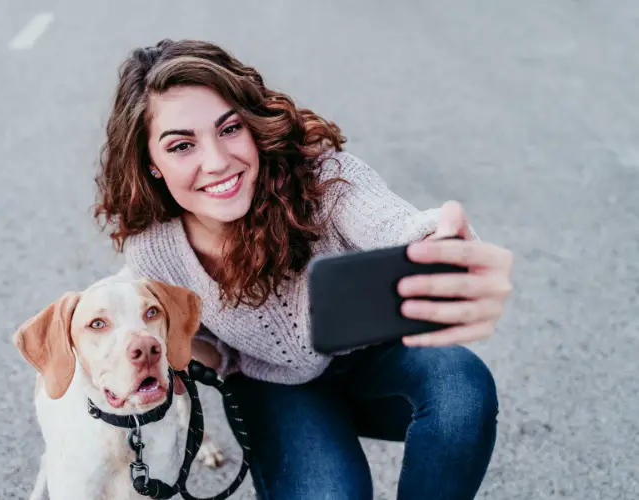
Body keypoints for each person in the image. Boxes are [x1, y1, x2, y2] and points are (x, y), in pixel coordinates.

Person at [94, 38, 513, 500]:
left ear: (252, 124)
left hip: (374, 364)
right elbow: (197, 347)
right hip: (274, 391)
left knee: (461, 387)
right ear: (151, 163)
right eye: (181, 145)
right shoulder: (152, 251)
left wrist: (446, 246)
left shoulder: (322, 177)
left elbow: (396, 225)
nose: (216, 162)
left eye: (230, 128)